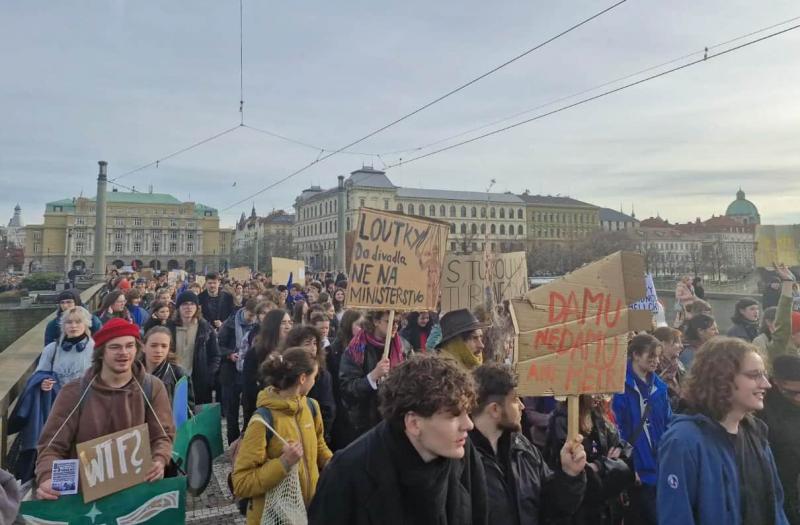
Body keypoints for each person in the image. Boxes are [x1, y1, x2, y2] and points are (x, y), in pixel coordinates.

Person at [309, 354, 488, 525]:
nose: (469, 425)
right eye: (454, 416)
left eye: (467, 412)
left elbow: (479, 515)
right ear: (414, 424)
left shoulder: (462, 451)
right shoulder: (346, 474)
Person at [34, 319, 175, 500]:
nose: (124, 353)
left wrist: (159, 459)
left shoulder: (152, 387)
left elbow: (162, 436)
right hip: (84, 499)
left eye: (130, 346)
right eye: (115, 347)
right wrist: (48, 477)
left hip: (135, 495)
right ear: (101, 353)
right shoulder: (74, 392)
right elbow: (51, 446)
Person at [657, 337, 789, 524]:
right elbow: (676, 516)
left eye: (764, 375)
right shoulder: (683, 441)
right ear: (721, 378)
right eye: (754, 375)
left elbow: (776, 505)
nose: (766, 384)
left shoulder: (756, 432)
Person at [471, 363, 587, 525]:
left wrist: (569, 475)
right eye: (515, 399)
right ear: (495, 409)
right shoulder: (462, 460)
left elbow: (551, 509)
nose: (522, 406)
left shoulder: (523, 448)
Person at [232, 347, 332, 525]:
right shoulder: (262, 421)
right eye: (314, 377)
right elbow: (241, 483)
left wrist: (336, 464)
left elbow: (319, 444)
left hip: (307, 514)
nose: (315, 382)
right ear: (303, 378)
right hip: (272, 517)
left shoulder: (311, 407)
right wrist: (284, 463)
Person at [545, 394, 631, 525]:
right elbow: (582, 475)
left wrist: (599, 466)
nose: (599, 396)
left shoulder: (598, 416)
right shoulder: (562, 422)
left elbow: (625, 457)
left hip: (607, 512)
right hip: (582, 514)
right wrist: (606, 465)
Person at [611, 334, 671, 525]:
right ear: (636, 355)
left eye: (658, 356)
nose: (656, 360)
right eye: (651, 355)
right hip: (637, 469)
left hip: (659, 466)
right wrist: (631, 467)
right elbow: (617, 429)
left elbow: (668, 423)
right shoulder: (619, 387)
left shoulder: (660, 388)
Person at [339, 310, 406, 439]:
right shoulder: (356, 349)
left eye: (397, 322)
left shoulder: (403, 347)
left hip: (394, 422)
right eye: (390, 321)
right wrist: (373, 376)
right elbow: (347, 388)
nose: (395, 326)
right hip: (365, 425)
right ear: (376, 321)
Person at [760, 354, 800, 524]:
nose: (798, 398)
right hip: (777, 489)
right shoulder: (761, 408)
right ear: (776, 382)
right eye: (792, 393)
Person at [283, 325, 336, 445]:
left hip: (313, 435)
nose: (313, 348)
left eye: (315, 343)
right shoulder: (284, 370)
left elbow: (328, 411)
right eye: (307, 343)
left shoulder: (322, 374)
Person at [166, 291, 220, 404]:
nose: (189, 307)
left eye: (192, 304)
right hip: (175, 379)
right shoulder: (169, 328)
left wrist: (209, 375)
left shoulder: (205, 328)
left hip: (199, 381)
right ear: (178, 307)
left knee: (198, 412)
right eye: (185, 304)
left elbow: (215, 355)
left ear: (197, 307)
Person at [218, 299, 259, 444]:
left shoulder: (257, 327)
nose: (252, 319)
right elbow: (218, 346)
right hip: (230, 372)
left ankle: (247, 442)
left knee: (249, 409)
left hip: (248, 373)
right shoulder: (229, 324)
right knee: (232, 412)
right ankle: (232, 443)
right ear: (244, 310)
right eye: (250, 315)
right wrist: (229, 354)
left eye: (255, 316)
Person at [241, 309, 293, 426]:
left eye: (290, 322)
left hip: (288, 411)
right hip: (263, 410)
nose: (288, 326)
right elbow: (248, 389)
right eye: (283, 323)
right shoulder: (255, 353)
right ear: (273, 326)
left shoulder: (292, 351)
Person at [327, 309, 362, 450]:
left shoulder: (363, 347)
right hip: (340, 410)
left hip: (357, 411)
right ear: (348, 325)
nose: (363, 329)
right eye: (359, 325)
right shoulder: (333, 351)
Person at [35, 307, 95, 388]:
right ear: (63, 325)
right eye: (69, 322)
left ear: (86, 324)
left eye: (78, 322)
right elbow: (40, 373)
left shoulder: (96, 349)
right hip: (58, 394)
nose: (73, 326)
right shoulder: (51, 349)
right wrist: (43, 382)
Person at [140, 326, 194, 411]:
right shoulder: (133, 373)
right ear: (143, 347)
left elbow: (187, 410)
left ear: (169, 348)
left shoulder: (178, 374)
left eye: (164, 346)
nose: (159, 350)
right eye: (153, 345)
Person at [653, 326, 685, 410]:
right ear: (663, 344)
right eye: (677, 342)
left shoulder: (679, 365)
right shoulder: (652, 368)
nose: (681, 346)